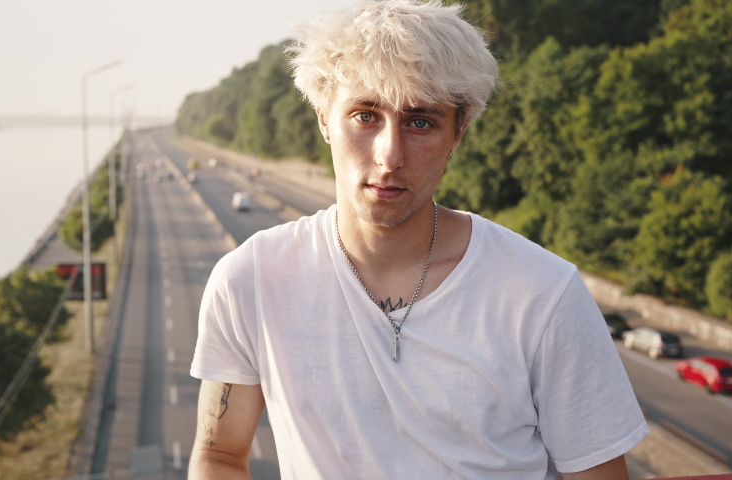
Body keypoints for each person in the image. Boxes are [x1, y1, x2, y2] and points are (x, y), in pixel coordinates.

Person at [188, 0, 648, 478]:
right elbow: (219, 455)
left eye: (420, 121)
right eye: (365, 116)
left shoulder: (542, 293)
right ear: (324, 118)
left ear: (459, 132)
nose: (390, 156)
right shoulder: (252, 280)